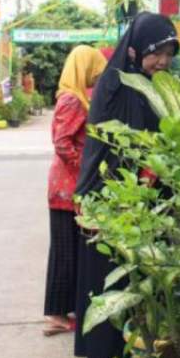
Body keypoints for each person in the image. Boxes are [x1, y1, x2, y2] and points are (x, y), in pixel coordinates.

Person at [73, 13, 179, 358]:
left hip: (141, 201)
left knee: (136, 286)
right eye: (156, 53)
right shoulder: (118, 85)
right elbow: (119, 148)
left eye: (169, 53)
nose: (163, 61)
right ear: (134, 50)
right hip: (111, 201)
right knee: (108, 284)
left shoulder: (153, 84)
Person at [43, 45, 108, 337]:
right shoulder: (71, 99)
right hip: (67, 188)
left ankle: (62, 310)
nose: (99, 72)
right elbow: (62, 143)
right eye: (95, 67)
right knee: (64, 253)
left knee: (68, 251)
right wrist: (88, 169)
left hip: (71, 185)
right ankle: (56, 315)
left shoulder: (77, 96)